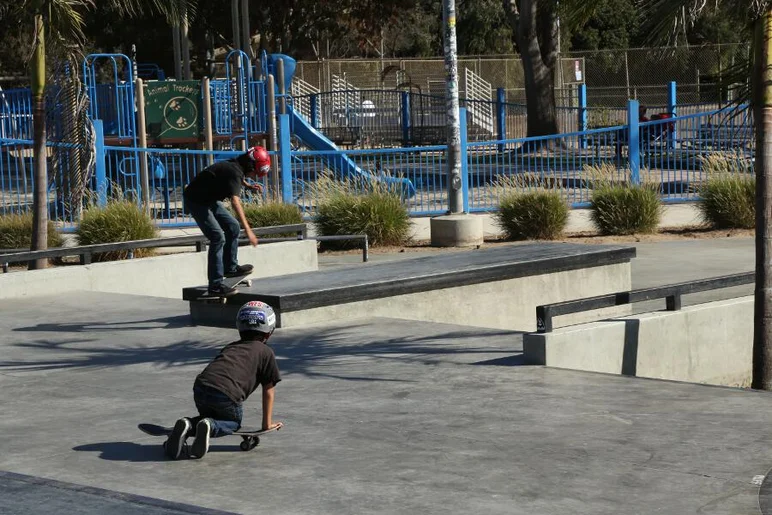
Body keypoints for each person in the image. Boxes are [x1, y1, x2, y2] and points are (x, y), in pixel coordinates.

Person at [165, 300, 283, 460]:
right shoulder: (266, 352)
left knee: (207, 417)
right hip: (227, 395)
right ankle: (209, 426)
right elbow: (268, 390)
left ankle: (187, 424)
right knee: (232, 423)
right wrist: (266, 424)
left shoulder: (231, 346)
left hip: (201, 388)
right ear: (269, 331)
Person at [183, 146, 271, 296]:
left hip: (209, 199)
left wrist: (248, 186)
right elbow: (236, 203)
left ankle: (230, 268)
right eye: (254, 173)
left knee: (233, 226)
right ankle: (215, 285)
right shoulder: (234, 172)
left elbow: (237, 178)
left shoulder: (236, 167)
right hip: (196, 201)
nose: (253, 176)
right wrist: (249, 231)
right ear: (250, 165)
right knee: (217, 237)